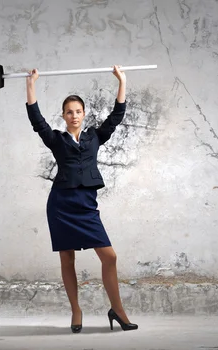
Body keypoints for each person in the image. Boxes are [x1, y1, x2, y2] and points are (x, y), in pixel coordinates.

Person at [25, 65, 138, 333]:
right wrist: (31, 84)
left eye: (78, 111)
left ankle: (117, 310)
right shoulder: (56, 139)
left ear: (84, 114)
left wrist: (122, 80)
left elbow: (116, 116)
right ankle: (76, 310)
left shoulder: (95, 138)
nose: (74, 116)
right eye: (69, 112)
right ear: (63, 116)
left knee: (109, 257)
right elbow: (36, 119)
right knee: (67, 259)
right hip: (61, 205)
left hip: (86, 206)